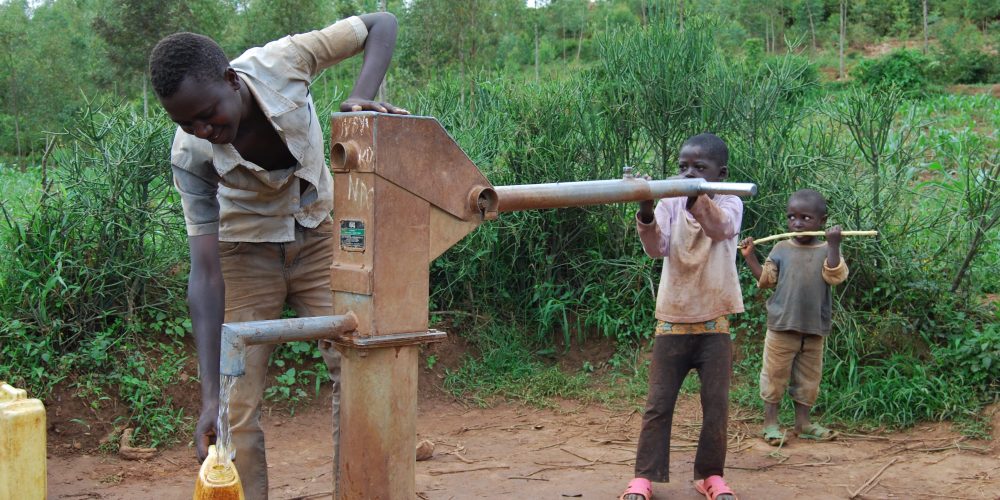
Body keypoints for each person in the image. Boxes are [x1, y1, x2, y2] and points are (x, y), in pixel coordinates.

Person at [148, 13, 409, 500]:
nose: (202, 129)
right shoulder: (190, 156)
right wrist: (208, 397)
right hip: (243, 251)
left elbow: (381, 24)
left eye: (207, 113)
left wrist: (359, 98)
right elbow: (204, 274)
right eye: (186, 122)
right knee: (234, 404)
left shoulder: (284, 61)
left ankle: (358, 491)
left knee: (357, 370)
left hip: (318, 234)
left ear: (231, 79)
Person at [621, 133, 742, 500]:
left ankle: (710, 475)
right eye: (683, 167)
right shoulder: (670, 202)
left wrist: (695, 196)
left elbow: (720, 228)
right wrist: (645, 210)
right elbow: (656, 249)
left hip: (714, 321)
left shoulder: (732, 201)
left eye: (699, 168)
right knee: (658, 404)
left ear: (720, 173)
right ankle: (644, 478)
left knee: (716, 406)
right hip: (672, 320)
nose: (689, 173)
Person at [739, 189, 847, 446]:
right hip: (781, 327)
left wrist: (834, 244)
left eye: (806, 218)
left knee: (809, 379)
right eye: (791, 217)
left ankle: (803, 423)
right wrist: (750, 257)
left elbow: (835, 275)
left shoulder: (826, 249)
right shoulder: (781, 248)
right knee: (774, 376)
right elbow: (766, 281)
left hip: (814, 328)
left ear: (822, 221)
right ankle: (770, 423)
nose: (797, 223)